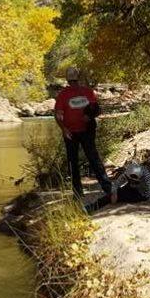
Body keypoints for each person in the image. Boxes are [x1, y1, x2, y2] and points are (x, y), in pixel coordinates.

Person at [54, 67, 114, 204]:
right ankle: (82, 192)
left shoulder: (78, 93)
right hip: (73, 132)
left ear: (69, 79)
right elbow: (58, 114)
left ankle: (104, 188)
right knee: (79, 161)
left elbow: (96, 109)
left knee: (86, 160)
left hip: (83, 131)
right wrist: (64, 129)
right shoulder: (70, 93)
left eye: (72, 79)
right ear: (74, 78)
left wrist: (88, 116)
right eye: (72, 79)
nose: (73, 82)